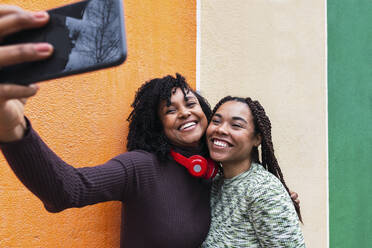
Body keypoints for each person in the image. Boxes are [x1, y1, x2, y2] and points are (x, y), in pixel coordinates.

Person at [0, 5, 300, 247]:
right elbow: (67, 190)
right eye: (170, 110)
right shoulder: (139, 167)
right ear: (158, 125)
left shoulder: (213, 172)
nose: (184, 113)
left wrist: (278, 200)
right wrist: (14, 130)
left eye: (190, 103)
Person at [201, 96, 305, 247]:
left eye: (236, 125)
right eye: (216, 121)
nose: (221, 129)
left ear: (257, 139)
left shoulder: (264, 191)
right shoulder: (214, 182)